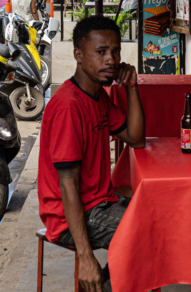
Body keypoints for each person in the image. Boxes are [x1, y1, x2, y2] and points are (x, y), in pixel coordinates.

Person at [38, 16, 144, 292]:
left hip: (100, 202)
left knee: (156, 214)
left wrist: (132, 88)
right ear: (78, 55)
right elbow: (68, 185)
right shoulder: (68, 107)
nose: (111, 60)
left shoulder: (98, 96)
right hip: (71, 216)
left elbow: (135, 139)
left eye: (115, 51)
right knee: (147, 234)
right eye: (101, 52)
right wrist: (86, 258)